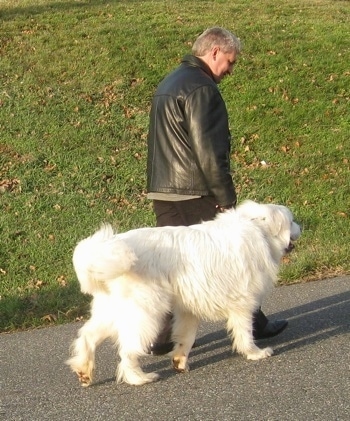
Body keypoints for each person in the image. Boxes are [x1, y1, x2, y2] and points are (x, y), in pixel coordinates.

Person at [146, 27, 288, 355]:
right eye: (229, 61)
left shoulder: (169, 82)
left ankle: (160, 335)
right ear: (213, 52)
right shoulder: (201, 88)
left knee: (172, 262)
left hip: (164, 188)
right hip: (195, 188)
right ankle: (253, 325)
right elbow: (209, 150)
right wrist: (226, 199)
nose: (230, 70)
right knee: (230, 256)